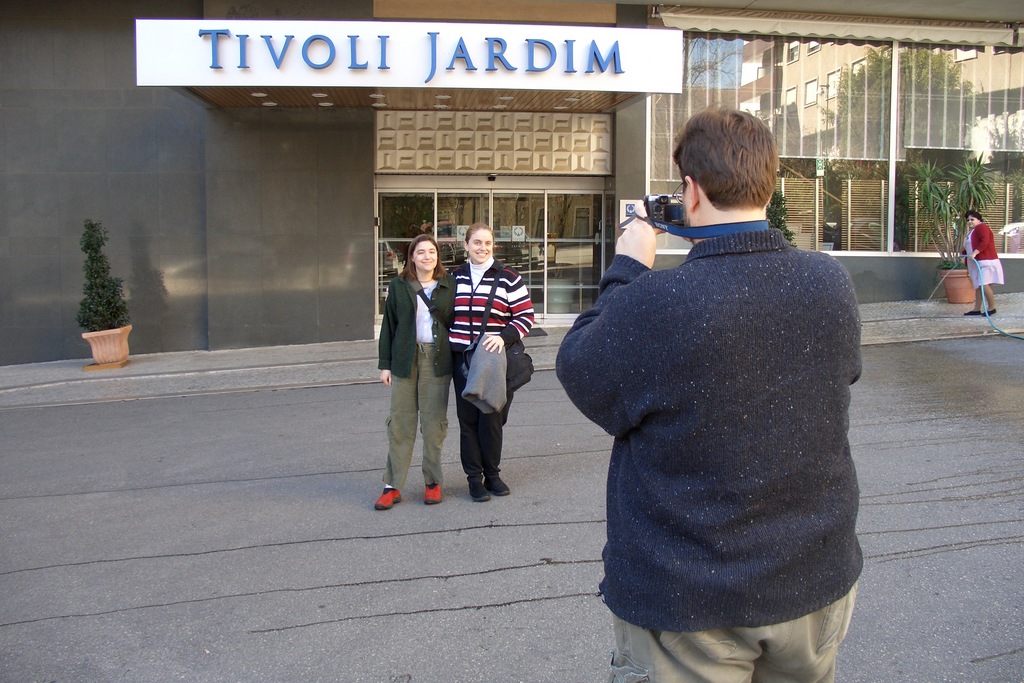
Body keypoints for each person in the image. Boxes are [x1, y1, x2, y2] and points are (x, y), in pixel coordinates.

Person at [556, 107, 863, 683]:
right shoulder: (830, 282)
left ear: (690, 192)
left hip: (688, 602)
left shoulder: (657, 301)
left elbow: (580, 370)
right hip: (814, 582)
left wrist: (628, 264)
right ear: (767, 183)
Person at [449, 223, 534, 502]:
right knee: (468, 420)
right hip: (462, 360)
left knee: (493, 418)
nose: (482, 248)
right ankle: (474, 479)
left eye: (487, 243)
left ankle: (492, 475)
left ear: (493, 245)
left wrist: (503, 337)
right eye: (476, 243)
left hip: (494, 361)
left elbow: (525, 316)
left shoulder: (508, 277)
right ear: (466, 246)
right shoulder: (455, 277)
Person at [374, 234, 455, 510]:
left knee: (434, 426)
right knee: (400, 424)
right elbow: (389, 327)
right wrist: (385, 364)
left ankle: (432, 482)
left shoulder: (448, 285)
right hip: (404, 360)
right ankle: (392, 485)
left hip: (437, 360)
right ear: (412, 257)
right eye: (421, 252)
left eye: (432, 252)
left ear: (437, 256)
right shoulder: (399, 286)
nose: (427, 257)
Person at [962, 209, 1003, 316]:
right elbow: (967, 247)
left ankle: (992, 307)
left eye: (972, 219)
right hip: (976, 263)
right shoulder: (972, 231)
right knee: (978, 285)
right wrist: (963, 256)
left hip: (986, 261)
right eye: (968, 220)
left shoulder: (982, 227)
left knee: (983, 284)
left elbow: (985, 241)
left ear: (979, 220)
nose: (969, 221)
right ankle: (976, 309)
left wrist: (975, 252)